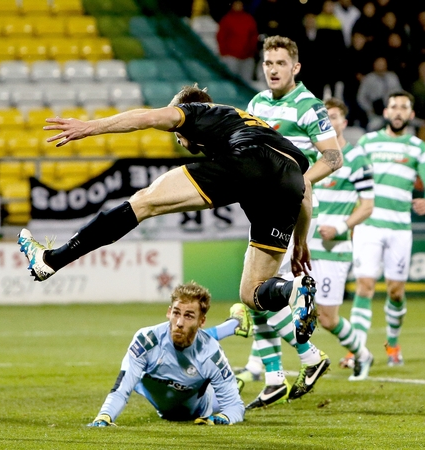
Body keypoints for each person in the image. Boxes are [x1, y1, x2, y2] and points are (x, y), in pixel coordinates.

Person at [18, 83, 345, 347]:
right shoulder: (251, 126)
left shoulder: (199, 112)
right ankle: (292, 290)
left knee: (144, 202)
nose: (178, 140)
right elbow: (304, 190)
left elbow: (145, 118)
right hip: (289, 180)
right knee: (252, 292)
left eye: (178, 135)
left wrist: (92, 127)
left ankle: (51, 260)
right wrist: (301, 242)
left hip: (251, 162)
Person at [238, 35, 342, 409]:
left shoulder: (310, 106)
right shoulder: (257, 103)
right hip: (263, 208)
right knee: (255, 297)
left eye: (280, 63)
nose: (273, 70)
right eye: (268, 63)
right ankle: (275, 377)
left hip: (289, 207)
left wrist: (298, 182)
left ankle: (306, 359)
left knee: (254, 292)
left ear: (295, 67)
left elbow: (333, 158)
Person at [350, 91, 425, 368]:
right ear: (386, 113)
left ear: (411, 115)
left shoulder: (418, 148)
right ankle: (356, 350)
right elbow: (351, 177)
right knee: (364, 287)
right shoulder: (367, 142)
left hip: (400, 228)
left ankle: (392, 345)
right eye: (394, 107)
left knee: (396, 292)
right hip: (369, 225)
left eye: (404, 108)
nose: (398, 112)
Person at [87, 282, 249, 427]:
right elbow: (121, 389)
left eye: (188, 316)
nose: (179, 322)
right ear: (169, 312)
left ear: (202, 321)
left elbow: (234, 406)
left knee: (218, 394)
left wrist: (220, 419)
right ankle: (233, 324)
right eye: (176, 313)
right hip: (165, 400)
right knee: (191, 337)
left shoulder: (211, 354)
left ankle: (233, 379)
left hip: (201, 405)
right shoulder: (147, 341)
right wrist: (104, 416)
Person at [311, 98, 375, 381]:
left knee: (327, 319)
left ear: (343, 123)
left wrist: (341, 226)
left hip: (334, 250)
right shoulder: (313, 155)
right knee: (282, 307)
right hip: (306, 247)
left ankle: (362, 354)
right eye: (325, 116)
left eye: (334, 116)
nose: (329, 121)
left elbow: (367, 205)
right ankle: (269, 370)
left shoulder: (357, 159)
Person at [215, 0, 258, 83]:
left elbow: (253, 36)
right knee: (230, 81)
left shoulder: (249, 19)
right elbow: (221, 37)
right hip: (231, 56)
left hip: (247, 57)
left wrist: (252, 51)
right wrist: (224, 52)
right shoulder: (227, 19)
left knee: (246, 82)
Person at [357, 57, 402, 131]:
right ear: (374, 65)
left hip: (391, 111)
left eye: (383, 64)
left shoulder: (392, 77)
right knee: (374, 127)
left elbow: (400, 93)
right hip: (374, 112)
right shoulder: (368, 79)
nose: (381, 67)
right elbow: (361, 97)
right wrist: (369, 109)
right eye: (379, 64)